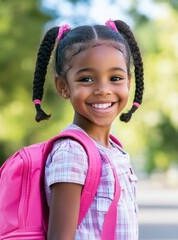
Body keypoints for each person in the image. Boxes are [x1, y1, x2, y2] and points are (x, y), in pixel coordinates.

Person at [31, 19, 144, 240]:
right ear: (63, 86)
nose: (103, 89)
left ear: (128, 82)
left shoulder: (115, 151)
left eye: (115, 78)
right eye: (86, 79)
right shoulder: (72, 153)